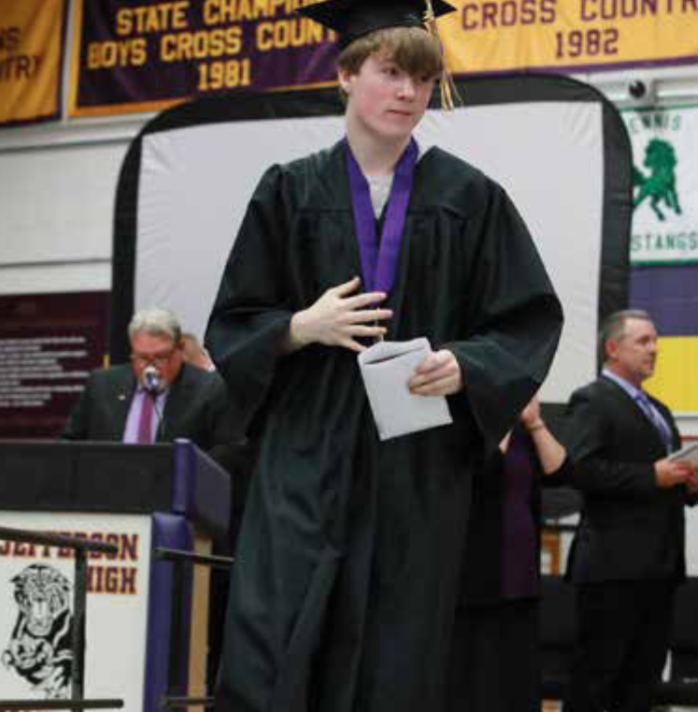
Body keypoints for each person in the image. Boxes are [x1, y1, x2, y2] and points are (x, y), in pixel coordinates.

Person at [205, 1, 564, 710]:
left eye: (423, 80)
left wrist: (467, 364)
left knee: (399, 644)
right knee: (277, 629)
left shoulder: (471, 198)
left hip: (417, 459)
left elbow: (525, 320)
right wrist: (300, 326)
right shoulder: (288, 190)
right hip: (306, 450)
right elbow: (234, 321)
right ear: (346, 75)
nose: (408, 93)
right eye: (392, 73)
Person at [562, 309, 698, 712]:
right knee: (596, 681)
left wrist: (688, 483)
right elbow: (578, 469)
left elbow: (665, 479)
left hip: (660, 570)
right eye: (643, 341)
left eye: (655, 341)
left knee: (641, 684)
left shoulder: (659, 409)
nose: (654, 349)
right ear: (612, 347)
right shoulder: (592, 400)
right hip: (613, 568)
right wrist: (651, 476)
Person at [449, 395, 570, 712]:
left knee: (518, 673)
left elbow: (560, 472)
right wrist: (499, 416)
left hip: (521, 571)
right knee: (479, 676)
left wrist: (535, 422)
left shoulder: (523, 433)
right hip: (477, 572)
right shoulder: (469, 424)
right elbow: (486, 472)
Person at [62, 306, 234, 462]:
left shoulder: (209, 389)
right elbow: (70, 443)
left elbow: (227, 451)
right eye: (143, 358)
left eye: (160, 357)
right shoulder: (101, 384)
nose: (151, 366)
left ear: (179, 350)